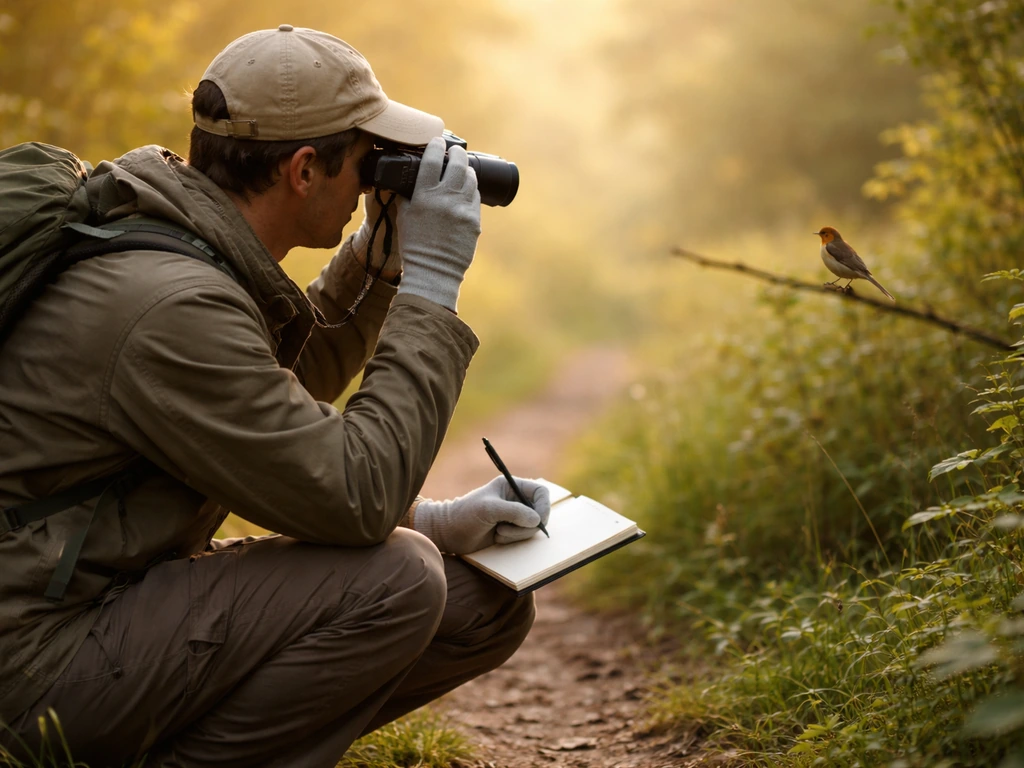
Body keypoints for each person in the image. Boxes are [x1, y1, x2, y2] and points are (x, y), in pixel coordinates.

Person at [0, 25, 550, 767]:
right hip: (35, 666)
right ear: (301, 170)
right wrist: (431, 286)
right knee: (399, 582)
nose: (369, 186)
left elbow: (273, 408)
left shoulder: (176, 243)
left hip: (101, 604)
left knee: (483, 603)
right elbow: (355, 495)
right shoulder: (169, 304)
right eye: (365, 161)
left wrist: (377, 267)